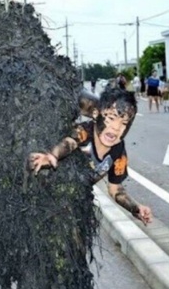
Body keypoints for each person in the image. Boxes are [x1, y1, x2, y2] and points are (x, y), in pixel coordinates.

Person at [29, 88, 153, 226]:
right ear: (96, 114)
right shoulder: (85, 131)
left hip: (74, 206)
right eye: (111, 118)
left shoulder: (119, 151)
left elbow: (115, 189)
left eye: (124, 123)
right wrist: (53, 155)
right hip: (49, 198)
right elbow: (70, 142)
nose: (116, 127)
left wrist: (135, 208)